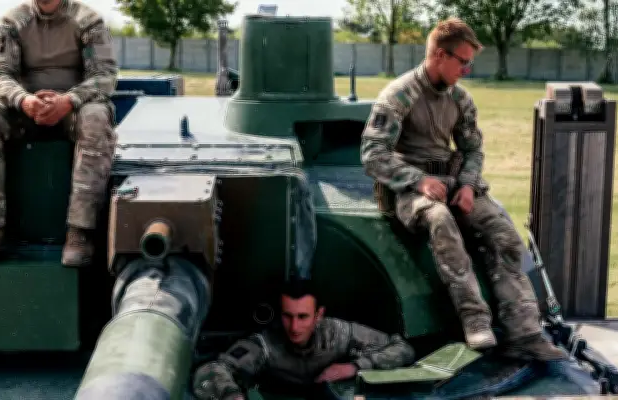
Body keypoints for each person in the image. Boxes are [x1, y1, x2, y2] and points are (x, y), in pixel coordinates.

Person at [360, 17, 567, 361]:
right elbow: (372, 153)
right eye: (463, 61)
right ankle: (475, 319)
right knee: (440, 220)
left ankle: (525, 333)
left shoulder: (461, 99)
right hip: (409, 190)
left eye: (471, 62)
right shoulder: (399, 95)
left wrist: (469, 186)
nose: (468, 70)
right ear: (440, 55)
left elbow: (473, 150)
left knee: (504, 234)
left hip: (454, 183)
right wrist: (417, 180)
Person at [0, 0, 118, 267]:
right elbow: (0, 75)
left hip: (73, 110)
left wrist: (68, 101)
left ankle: (80, 231)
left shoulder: (87, 21)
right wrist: (24, 100)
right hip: (25, 110)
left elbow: (104, 76)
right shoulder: (13, 22)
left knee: (96, 118)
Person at [192, 279, 416, 400]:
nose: (295, 327)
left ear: (318, 316)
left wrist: (353, 367)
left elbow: (402, 349)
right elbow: (211, 370)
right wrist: (230, 394)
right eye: (288, 316)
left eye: (303, 317)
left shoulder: (339, 333)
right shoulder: (266, 344)